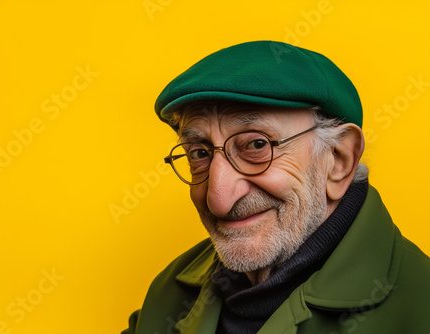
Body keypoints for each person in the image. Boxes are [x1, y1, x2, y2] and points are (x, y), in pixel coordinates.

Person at [122, 41, 430, 334]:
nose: (219, 199)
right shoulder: (169, 291)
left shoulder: (421, 306)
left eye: (256, 145)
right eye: (199, 153)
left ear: (338, 160)